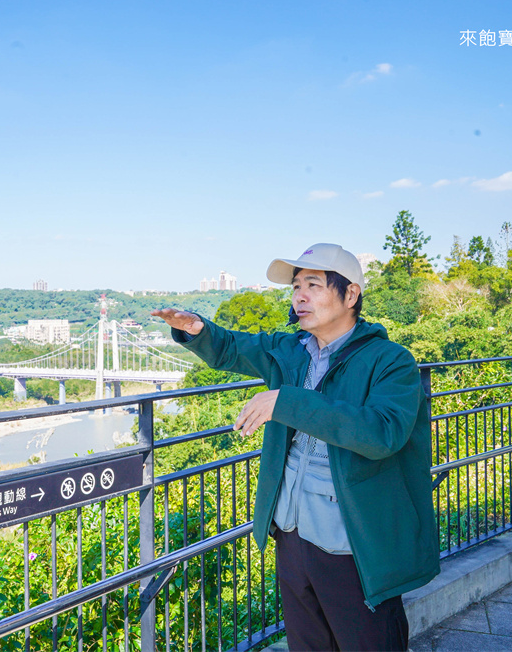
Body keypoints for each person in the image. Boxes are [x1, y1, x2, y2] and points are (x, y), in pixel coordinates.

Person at [151, 243, 439, 652]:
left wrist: (286, 402)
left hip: (354, 543)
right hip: (292, 533)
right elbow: (234, 347)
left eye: (313, 285)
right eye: (296, 286)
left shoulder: (390, 361)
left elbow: (382, 433)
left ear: (351, 294)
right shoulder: (291, 352)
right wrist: (197, 330)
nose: (299, 296)